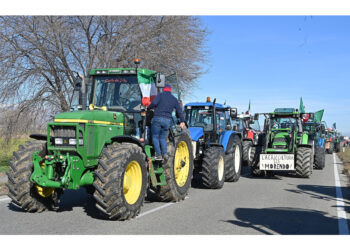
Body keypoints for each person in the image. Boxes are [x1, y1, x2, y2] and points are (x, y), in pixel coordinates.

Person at [148, 84, 185, 161]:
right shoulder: (174, 99)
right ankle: (165, 154)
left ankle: (158, 154)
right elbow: (179, 111)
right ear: (170, 90)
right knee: (162, 138)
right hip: (167, 121)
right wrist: (182, 121)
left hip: (157, 118)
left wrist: (148, 108)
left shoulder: (160, 95)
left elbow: (154, 103)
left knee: (155, 136)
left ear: (163, 89)